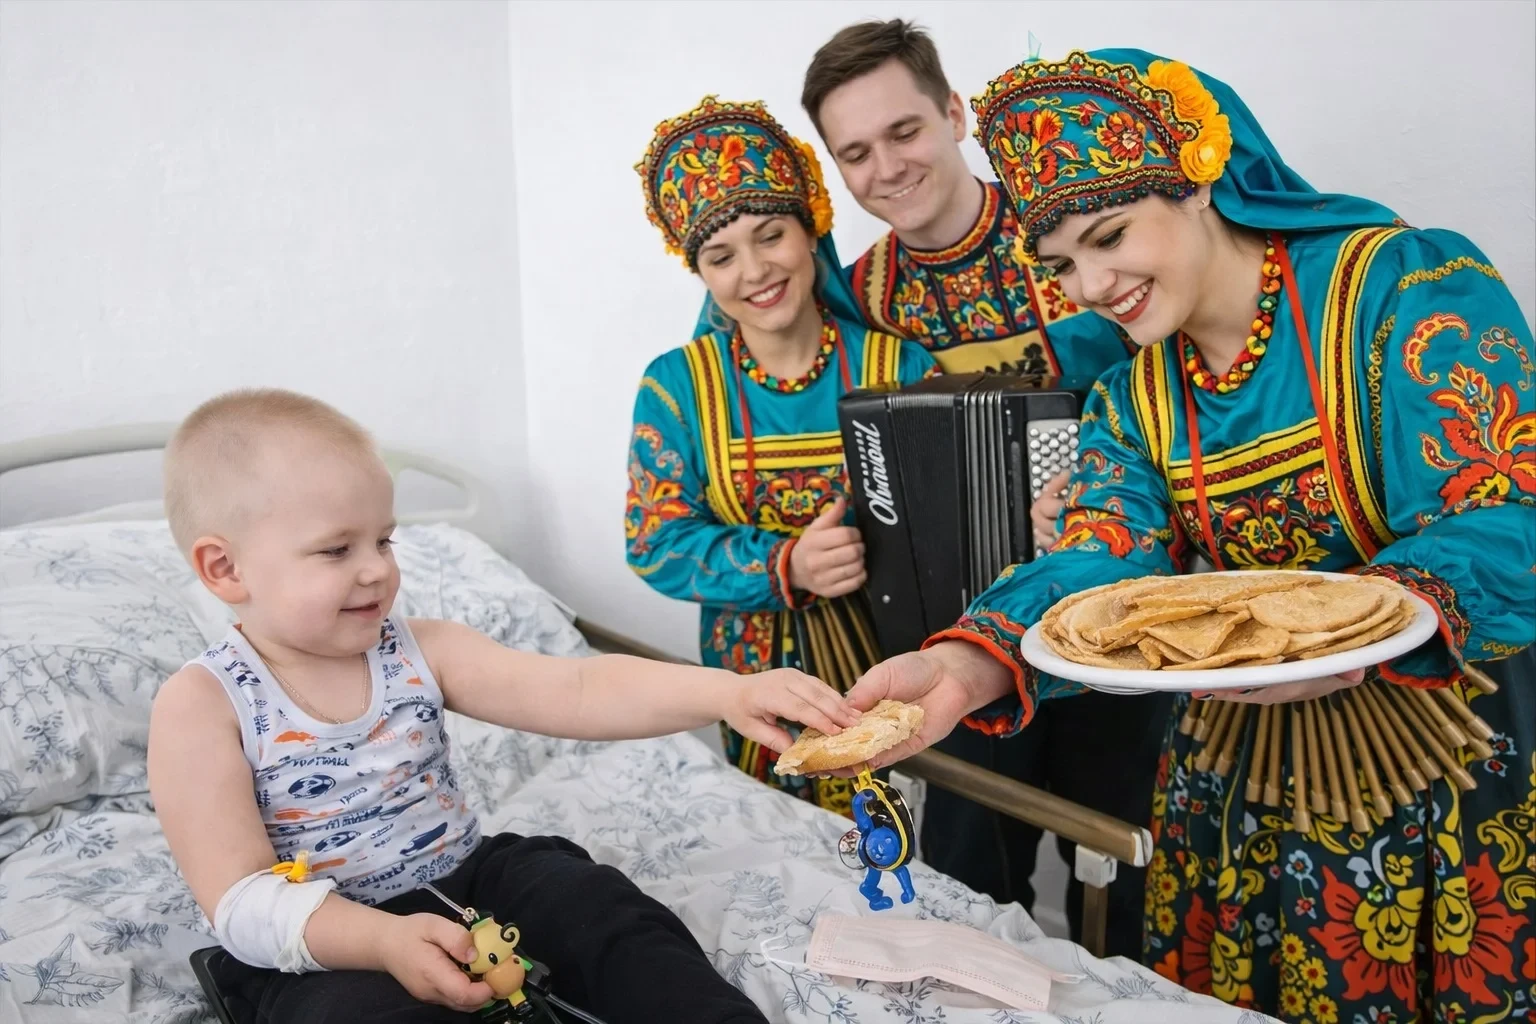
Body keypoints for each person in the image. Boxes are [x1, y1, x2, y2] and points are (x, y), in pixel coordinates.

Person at [843, 47, 1535, 1021]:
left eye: (1110, 234)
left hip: (1441, 757)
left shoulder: (1400, 287)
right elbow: (1099, 563)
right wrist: (962, 667)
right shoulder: (1136, 395)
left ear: (1202, 175)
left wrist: (1352, 625)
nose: (1091, 284)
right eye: (1062, 263)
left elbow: (1506, 508)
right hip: (1237, 771)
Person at [148, 389, 856, 1023]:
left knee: (602, 912)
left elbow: (578, 690)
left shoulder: (421, 649)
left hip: (469, 880)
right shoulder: (203, 705)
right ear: (225, 568)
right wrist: (384, 941)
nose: (378, 569)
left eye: (384, 540)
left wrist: (728, 692)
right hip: (332, 942)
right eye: (337, 549)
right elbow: (244, 902)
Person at [799, 18, 1169, 957]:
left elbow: (1174, 385)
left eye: (905, 131)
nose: (887, 167)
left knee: (1120, 866)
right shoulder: (853, 296)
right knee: (968, 872)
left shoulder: (1070, 233)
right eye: (855, 153)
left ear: (956, 114)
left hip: (1110, 611)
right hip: (953, 630)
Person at [626, 97, 937, 815]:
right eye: (721, 256)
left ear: (810, 228)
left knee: (897, 847)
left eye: (771, 235)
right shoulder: (676, 387)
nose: (755, 270)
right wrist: (785, 566)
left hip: (890, 670)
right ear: (700, 271)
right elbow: (654, 543)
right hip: (752, 683)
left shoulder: (900, 367)